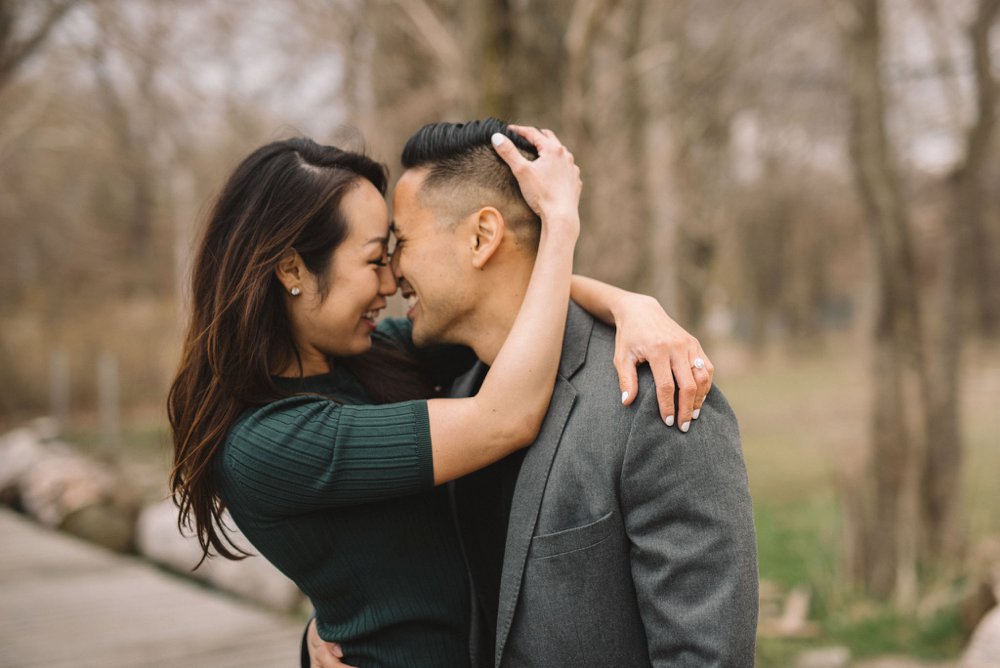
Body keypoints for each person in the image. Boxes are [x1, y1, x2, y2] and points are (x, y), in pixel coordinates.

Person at [169, 129, 711, 668]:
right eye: (374, 259)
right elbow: (504, 418)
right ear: (291, 269)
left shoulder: (372, 357)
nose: (391, 279)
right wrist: (560, 227)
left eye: (395, 251)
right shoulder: (268, 440)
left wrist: (631, 306)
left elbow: (503, 305)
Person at [309, 119, 757, 667]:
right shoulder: (458, 392)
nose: (391, 271)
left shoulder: (657, 394)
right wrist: (329, 638)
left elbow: (707, 657)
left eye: (401, 242)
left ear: (482, 236)